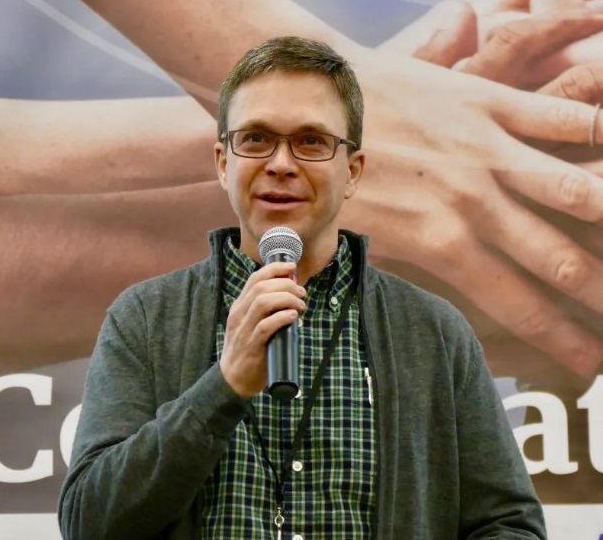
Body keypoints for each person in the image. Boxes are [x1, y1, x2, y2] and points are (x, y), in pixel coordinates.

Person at [57, 36, 547, 540]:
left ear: (352, 171)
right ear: (224, 163)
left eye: (311, 141)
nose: (281, 164)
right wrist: (223, 387)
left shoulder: (433, 331)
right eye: (256, 139)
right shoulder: (144, 317)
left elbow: (509, 525)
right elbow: (89, 524)